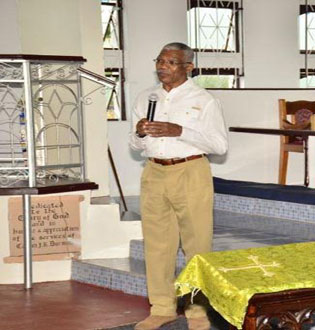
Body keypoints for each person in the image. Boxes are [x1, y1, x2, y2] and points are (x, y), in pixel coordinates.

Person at [129, 42, 228, 329]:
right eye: (160, 61)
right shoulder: (145, 97)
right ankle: (162, 307)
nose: (163, 66)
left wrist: (180, 131)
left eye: (171, 62)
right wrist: (139, 133)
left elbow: (219, 146)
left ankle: (197, 311)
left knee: (196, 244)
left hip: (190, 171)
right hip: (154, 172)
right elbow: (135, 146)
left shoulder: (204, 100)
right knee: (157, 245)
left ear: (188, 67)